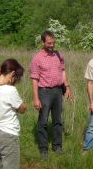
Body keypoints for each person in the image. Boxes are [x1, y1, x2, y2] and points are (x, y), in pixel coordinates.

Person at [30, 30, 72, 159]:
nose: (52, 45)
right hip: (44, 92)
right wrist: (36, 98)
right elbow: (34, 79)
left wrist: (67, 86)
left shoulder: (58, 55)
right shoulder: (37, 58)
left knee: (58, 120)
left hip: (58, 91)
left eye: (53, 43)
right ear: (43, 42)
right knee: (43, 121)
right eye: (49, 43)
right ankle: (43, 149)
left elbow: (63, 71)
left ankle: (57, 146)